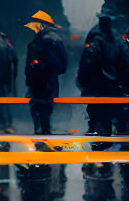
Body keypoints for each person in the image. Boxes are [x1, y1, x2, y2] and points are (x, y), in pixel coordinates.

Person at [24, 10, 67, 136]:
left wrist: (37, 68)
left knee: (40, 111)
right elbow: (63, 65)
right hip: (47, 83)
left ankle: (43, 136)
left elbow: (52, 64)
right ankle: (44, 134)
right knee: (45, 110)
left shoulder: (43, 41)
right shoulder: (54, 39)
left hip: (41, 83)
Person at [77, 10, 119, 138]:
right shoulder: (106, 36)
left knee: (100, 115)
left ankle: (100, 140)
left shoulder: (102, 36)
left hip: (101, 84)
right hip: (102, 84)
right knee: (100, 115)